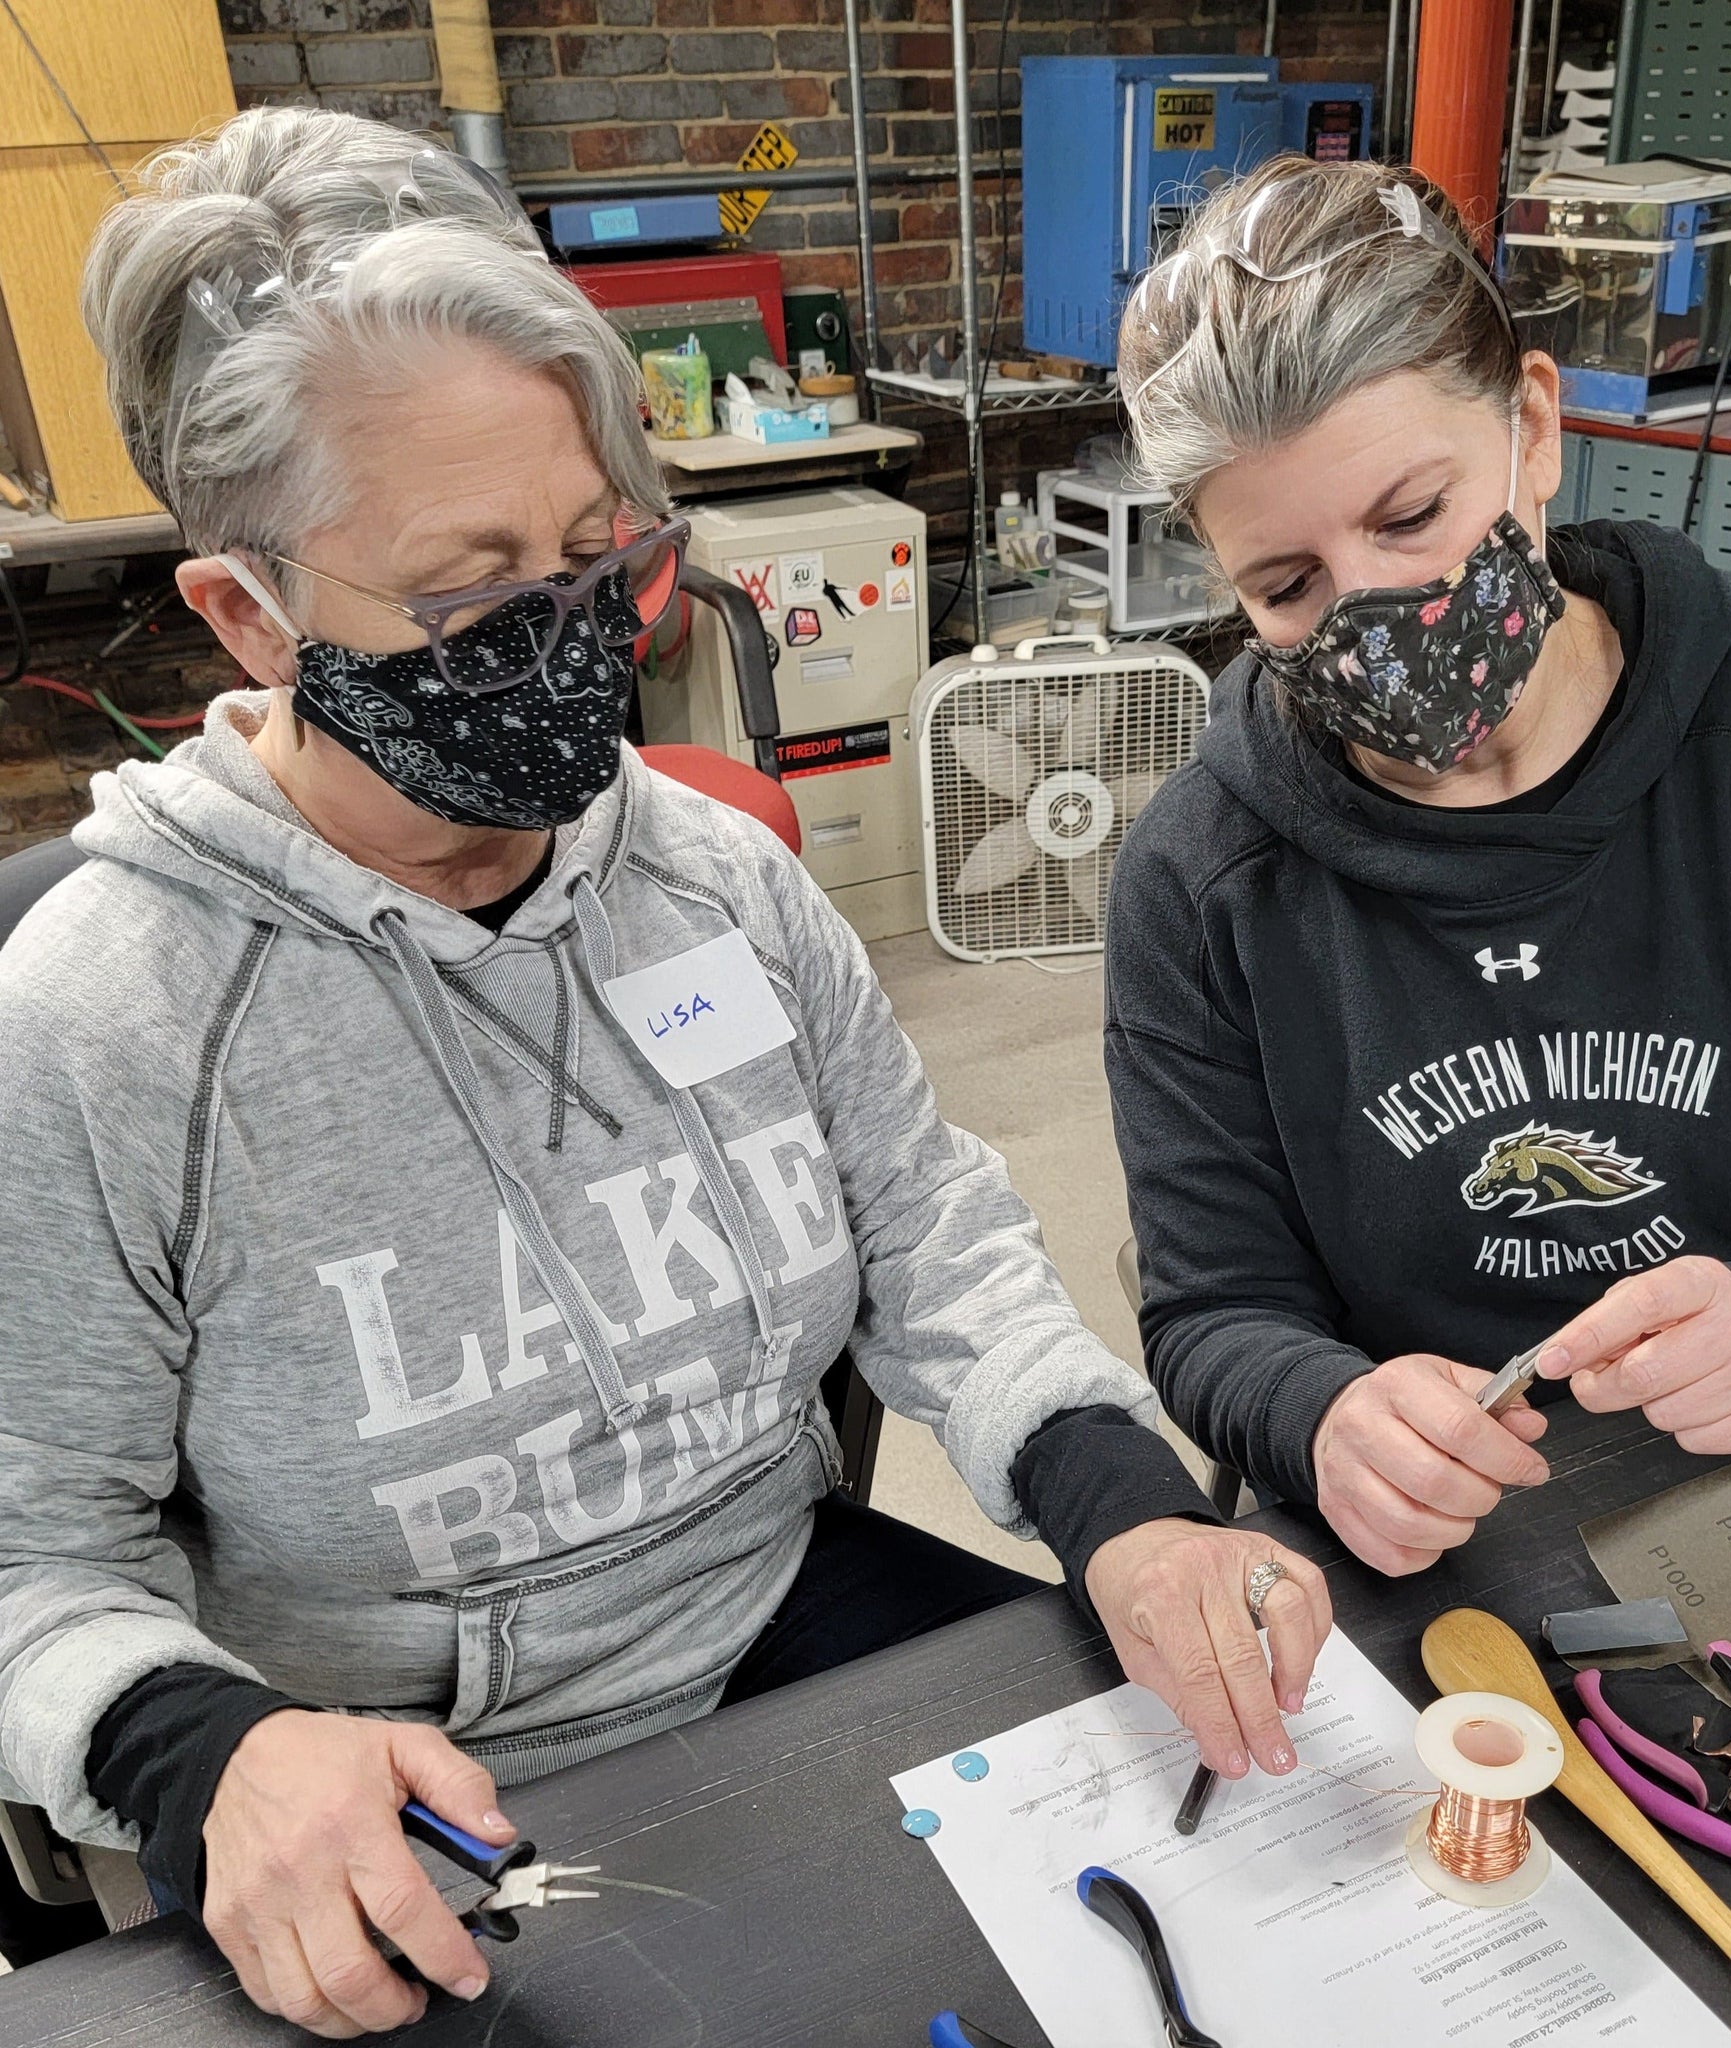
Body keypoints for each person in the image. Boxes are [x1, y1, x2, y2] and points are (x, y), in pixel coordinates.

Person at [0, 109, 1332, 2037]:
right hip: (401, 1772)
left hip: (781, 1619)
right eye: (472, 598)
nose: (566, 643)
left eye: (598, 557)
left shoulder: (713, 885)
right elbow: (27, 1548)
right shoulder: (101, 1027)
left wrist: (1119, 1498)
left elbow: (928, 1236)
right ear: (248, 612)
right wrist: (199, 1750)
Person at [1104, 154, 1731, 1581]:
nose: (1373, 613)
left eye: (1412, 515)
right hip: (1455, 1556)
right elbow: (1212, 1312)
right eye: (1285, 587)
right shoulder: (1202, 881)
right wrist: (1323, 1414)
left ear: (1535, 428)